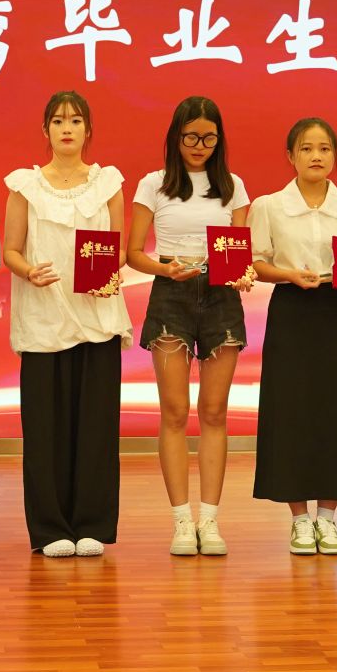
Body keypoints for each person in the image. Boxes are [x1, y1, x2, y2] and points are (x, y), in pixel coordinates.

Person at [1, 90, 131, 557]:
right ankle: (50, 528)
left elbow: (117, 247)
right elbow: (10, 250)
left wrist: (110, 270)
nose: (67, 128)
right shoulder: (25, 186)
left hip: (97, 318)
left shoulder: (108, 183)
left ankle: (92, 523)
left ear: (87, 130)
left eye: (75, 120)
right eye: (58, 121)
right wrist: (28, 271)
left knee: (96, 427)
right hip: (44, 320)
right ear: (46, 130)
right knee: (44, 430)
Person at [125, 95, 253, 557]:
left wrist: (242, 271)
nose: (200, 146)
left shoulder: (233, 186)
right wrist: (165, 269)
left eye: (209, 138)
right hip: (171, 294)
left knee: (215, 412)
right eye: (191, 137)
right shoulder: (154, 184)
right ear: (175, 137)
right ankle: (181, 520)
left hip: (221, 297)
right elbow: (132, 253)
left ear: (220, 140)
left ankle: (210, 520)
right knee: (175, 411)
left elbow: (239, 251)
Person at [249, 117, 337, 555]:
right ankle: (300, 521)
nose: (316, 156)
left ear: (335, 156)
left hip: (335, 310)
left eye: (324, 148)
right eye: (306, 148)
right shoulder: (268, 206)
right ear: (291, 156)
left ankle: (328, 519)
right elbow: (255, 263)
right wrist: (288, 274)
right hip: (291, 308)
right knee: (291, 411)